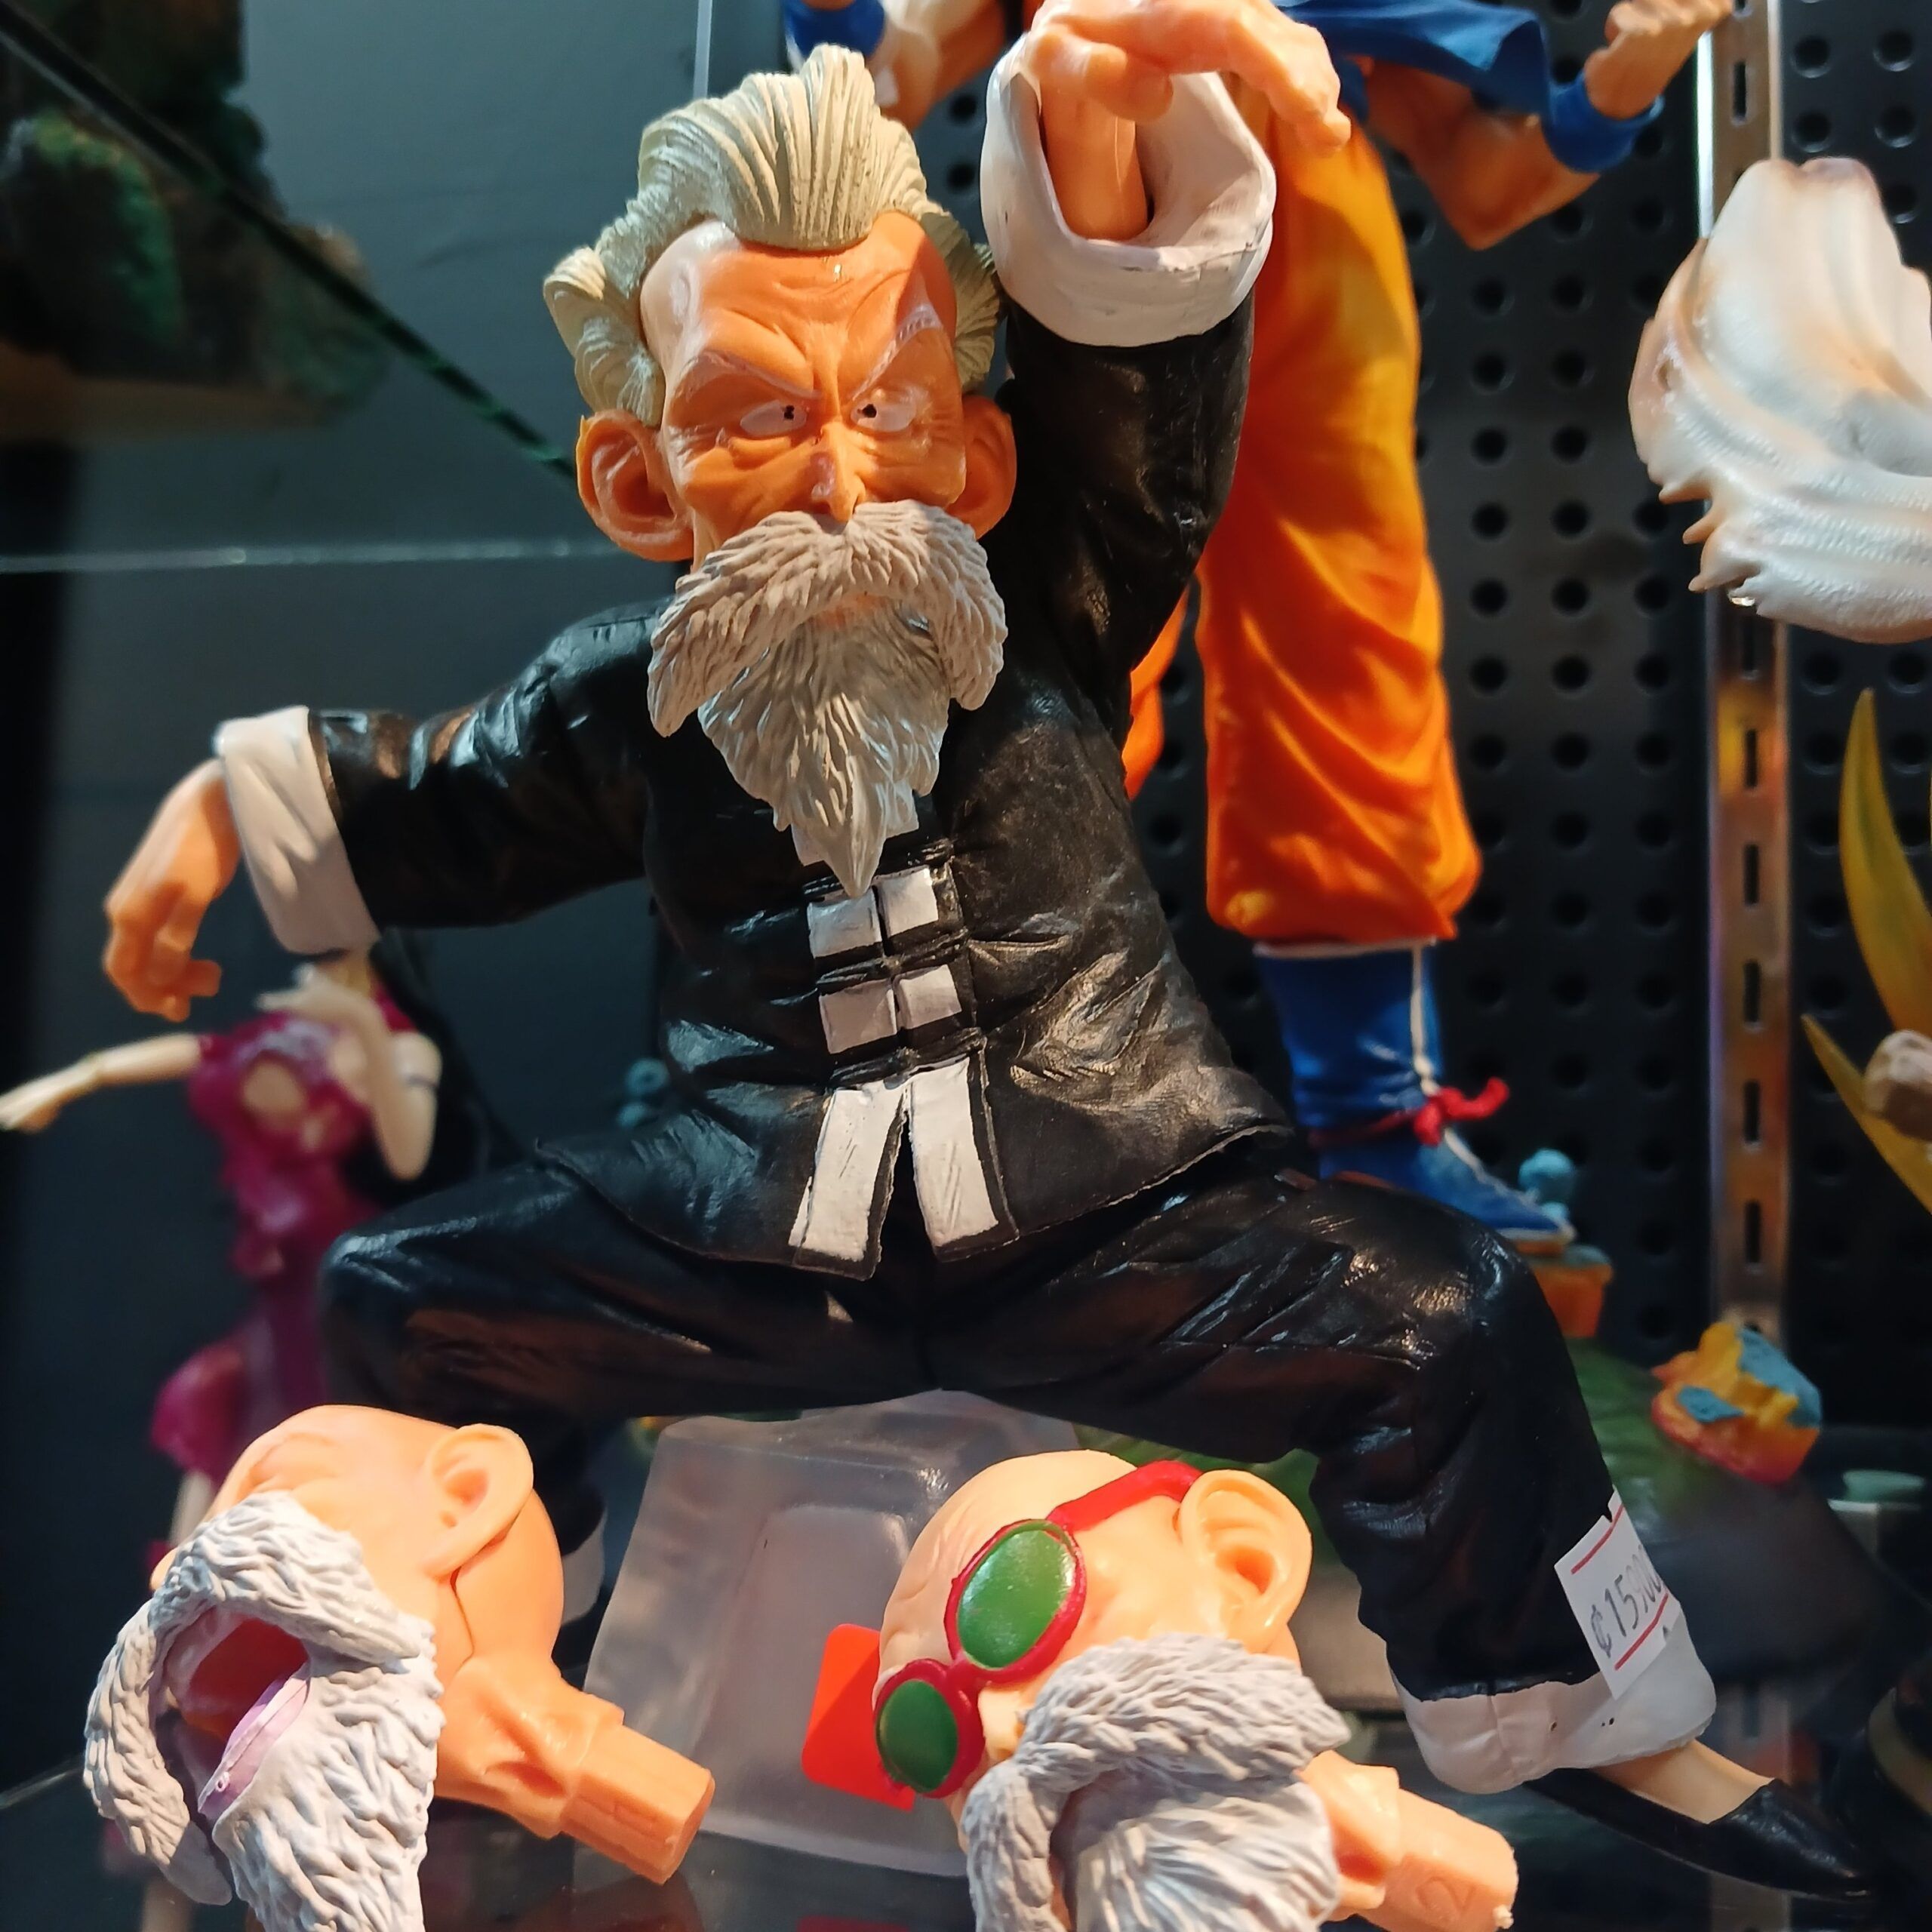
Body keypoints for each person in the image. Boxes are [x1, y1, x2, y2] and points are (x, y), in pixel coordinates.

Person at [92, 8, 1865, 1896]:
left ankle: (1569, 1713)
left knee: (1443, 1317)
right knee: (412, 1298)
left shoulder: (1053, 603)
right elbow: (451, 793)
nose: (840, 480)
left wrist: (1097, 99)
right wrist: (227, 806)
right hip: (746, 1230)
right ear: (636, 481)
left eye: (887, 410)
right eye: (758, 418)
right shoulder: (633, 705)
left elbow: (1132, 385)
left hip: (1096, 1212)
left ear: (977, 448)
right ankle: (493, 1651)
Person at [832, 0, 1730, 1251]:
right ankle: (993, 1094)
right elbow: (897, 62)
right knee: (1061, 639)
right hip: (1108, 195)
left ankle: (1377, 1117)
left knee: (1347, 651)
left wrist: (1623, 81)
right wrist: (846, 28)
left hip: (1320, 242)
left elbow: (1486, 179)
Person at [0, 945, 442, 1515]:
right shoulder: (279, 1033)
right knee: (224, 1408)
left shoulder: (401, 1046)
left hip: (332, 1268)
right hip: (279, 1271)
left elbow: (408, 1156)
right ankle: (186, 1565)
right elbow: (205, 1050)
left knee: (294, 1426)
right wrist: (77, 1079)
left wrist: (362, 1022)